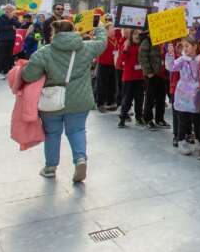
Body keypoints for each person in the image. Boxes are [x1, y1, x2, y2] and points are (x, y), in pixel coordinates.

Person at [22, 20, 108, 182]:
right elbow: (102, 43)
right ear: (74, 30)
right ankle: (80, 159)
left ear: (54, 33)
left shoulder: (45, 52)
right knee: (77, 130)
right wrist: (100, 28)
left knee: (52, 133)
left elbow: (29, 76)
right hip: (80, 100)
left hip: (52, 102)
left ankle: (50, 168)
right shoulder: (86, 48)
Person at [165, 37, 200, 158]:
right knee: (183, 119)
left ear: (195, 47)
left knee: (197, 119)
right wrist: (170, 54)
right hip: (183, 93)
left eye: (188, 46)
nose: (185, 48)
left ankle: (199, 141)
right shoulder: (182, 60)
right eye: (184, 46)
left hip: (197, 94)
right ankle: (181, 140)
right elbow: (171, 66)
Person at [138, 28, 170, 130]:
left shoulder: (165, 40)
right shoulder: (147, 40)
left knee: (161, 98)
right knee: (150, 97)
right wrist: (148, 72)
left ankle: (159, 119)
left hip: (163, 74)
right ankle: (148, 119)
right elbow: (142, 56)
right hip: (152, 74)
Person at [117, 29, 146, 128]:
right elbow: (121, 59)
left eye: (139, 34)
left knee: (139, 99)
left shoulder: (142, 45)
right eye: (135, 34)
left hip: (140, 76)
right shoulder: (127, 45)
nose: (137, 36)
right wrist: (125, 47)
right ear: (131, 35)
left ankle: (139, 117)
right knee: (127, 99)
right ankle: (122, 118)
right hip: (129, 77)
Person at [94, 23, 121, 112]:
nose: (114, 30)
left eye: (113, 28)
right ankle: (100, 103)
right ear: (106, 30)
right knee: (102, 84)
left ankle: (111, 102)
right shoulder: (104, 39)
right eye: (111, 28)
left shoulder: (116, 38)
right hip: (103, 63)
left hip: (113, 64)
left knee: (112, 84)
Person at [0, 5, 20, 77]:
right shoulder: (1, 18)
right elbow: (1, 28)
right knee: (1, 56)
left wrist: (11, 19)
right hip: (3, 40)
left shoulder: (14, 18)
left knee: (10, 56)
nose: (9, 11)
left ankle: (6, 71)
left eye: (11, 10)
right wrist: (11, 27)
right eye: (8, 9)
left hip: (12, 39)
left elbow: (18, 25)